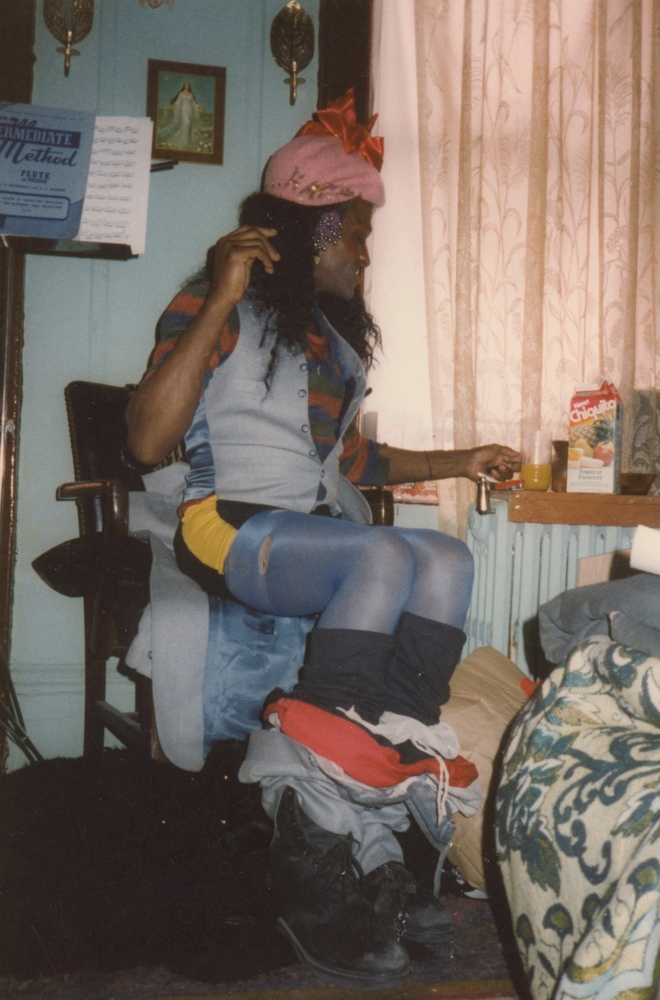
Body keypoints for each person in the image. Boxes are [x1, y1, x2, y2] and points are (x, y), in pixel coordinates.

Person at [126, 90, 520, 990]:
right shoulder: (216, 305)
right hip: (221, 525)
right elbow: (147, 438)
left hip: (309, 530)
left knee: (447, 557)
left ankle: (372, 827)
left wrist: (462, 457)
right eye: (357, 238)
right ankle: (310, 841)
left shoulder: (332, 345)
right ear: (312, 236)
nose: (365, 256)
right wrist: (224, 290)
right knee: (384, 554)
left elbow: (353, 460)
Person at [158, 79, 201, 150]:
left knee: (189, 125)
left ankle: (187, 141)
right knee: (187, 123)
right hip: (183, 110)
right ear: (184, 86)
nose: (187, 86)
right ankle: (182, 141)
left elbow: (193, 103)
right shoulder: (181, 93)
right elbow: (178, 102)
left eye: (188, 85)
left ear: (189, 86)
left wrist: (198, 107)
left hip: (190, 111)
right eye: (185, 85)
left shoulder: (191, 94)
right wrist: (175, 105)